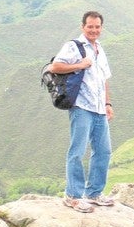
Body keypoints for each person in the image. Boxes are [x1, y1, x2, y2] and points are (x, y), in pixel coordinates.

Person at [49, 11, 115, 213]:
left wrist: (108, 103)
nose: (94, 30)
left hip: (98, 108)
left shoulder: (100, 49)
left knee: (103, 151)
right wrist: (80, 65)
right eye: (90, 27)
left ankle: (94, 193)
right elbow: (56, 66)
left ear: (101, 28)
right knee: (77, 151)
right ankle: (73, 196)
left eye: (97, 27)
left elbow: (104, 79)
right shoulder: (74, 46)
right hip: (81, 107)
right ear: (82, 27)